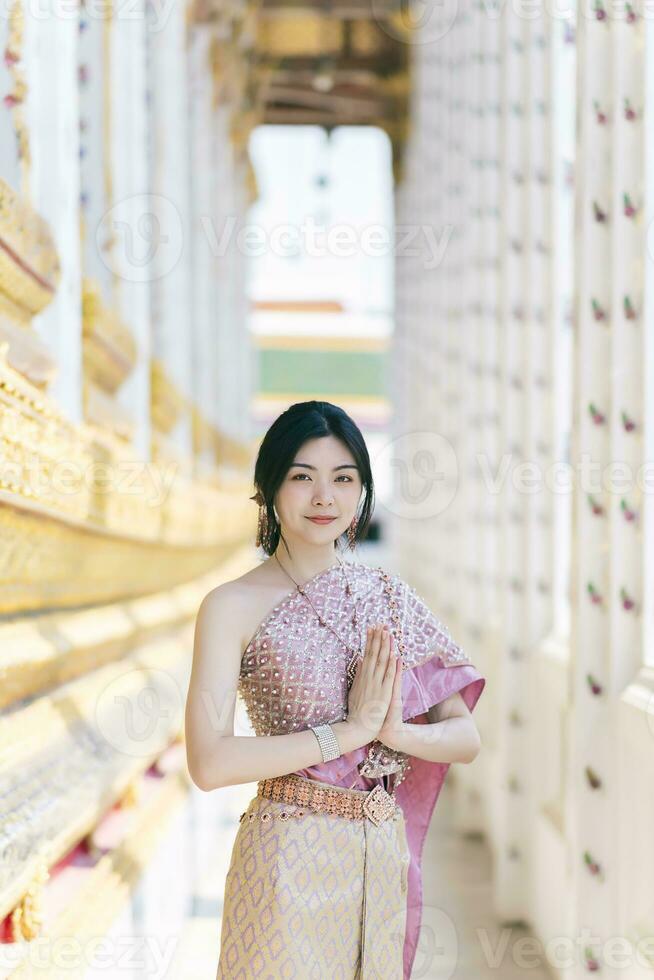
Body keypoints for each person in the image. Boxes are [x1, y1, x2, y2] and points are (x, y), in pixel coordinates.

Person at [185, 400, 486, 979]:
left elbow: (466, 737)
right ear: (269, 487)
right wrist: (345, 733)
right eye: (303, 477)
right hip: (284, 854)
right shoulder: (229, 607)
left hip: (379, 857)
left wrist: (393, 731)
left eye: (344, 479)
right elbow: (210, 761)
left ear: (363, 492)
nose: (325, 497)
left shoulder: (391, 598)